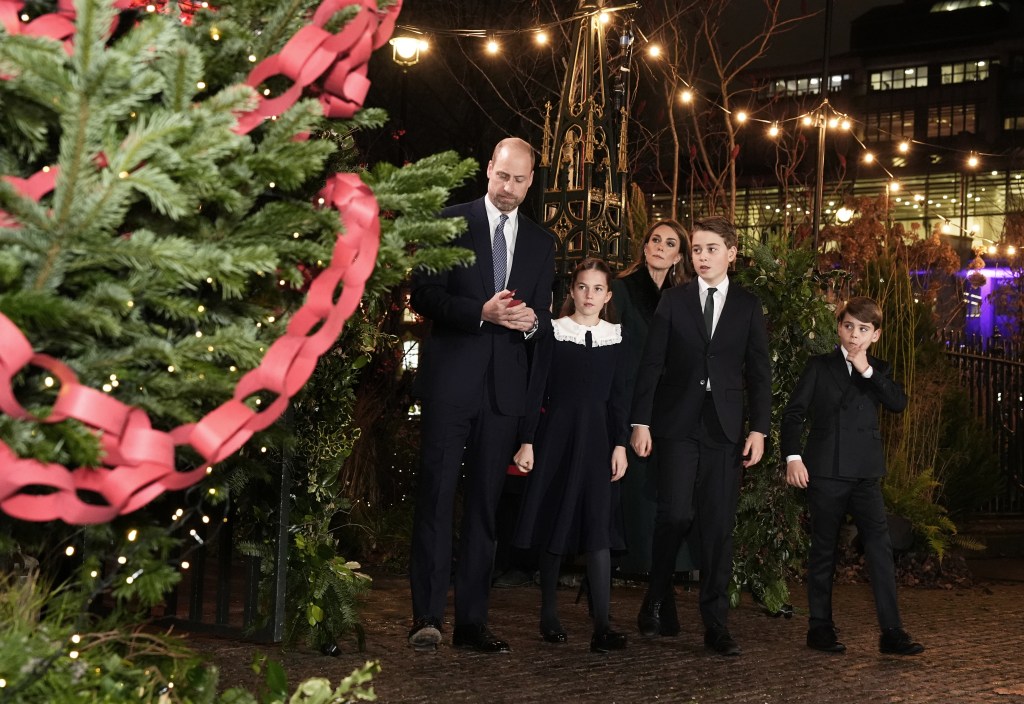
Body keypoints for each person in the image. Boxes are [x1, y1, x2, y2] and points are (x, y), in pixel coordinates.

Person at [407, 137, 556, 653]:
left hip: (503, 394)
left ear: (531, 180)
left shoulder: (542, 243)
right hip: (450, 385)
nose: (509, 188)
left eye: (519, 180)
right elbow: (422, 295)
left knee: (485, 510)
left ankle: (471, 621)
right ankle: (426, 617)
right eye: (502, 176)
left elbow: (540, 324)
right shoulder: (448, 221)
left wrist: (534, 322)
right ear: (488, 169)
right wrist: (480, 313)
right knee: (436, 497)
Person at [630, 215, 771, 656]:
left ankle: (716, 623)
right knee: (673, 515)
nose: (702, 256)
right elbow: (651, 364)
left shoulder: (748, 306)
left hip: (725, 429)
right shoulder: (674, 300)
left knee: (716, 527)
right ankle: (657, 596)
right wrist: (640, 422)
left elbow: (759, 374)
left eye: (711, 249)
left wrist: (759, 429)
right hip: (676, 424)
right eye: (696, 250)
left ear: (731, 253)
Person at [781, 296, 924, 656]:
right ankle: (820, 628)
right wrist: (793, 457)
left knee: (880, 549)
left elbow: (898, 403)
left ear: (875, 334)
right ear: (839, 328)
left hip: (866, 474)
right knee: (824, 550)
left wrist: (866, 370)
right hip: (825, 471)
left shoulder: (879, 370)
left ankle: (891, 632)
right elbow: (793, 413)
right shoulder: (819, 366)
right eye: (848, 326)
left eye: (863, 329)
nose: (854, 335)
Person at [512, 258, 630, 653]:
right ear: (572, 291)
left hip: (599, 443)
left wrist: (620, 445)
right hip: (557, 440)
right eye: (583, 287)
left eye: (598, 289)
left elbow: (619, 398)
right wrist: (527, 439)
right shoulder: (554, 332)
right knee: (556, 524)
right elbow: (535, 388)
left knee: (598, 529)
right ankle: (549, 614)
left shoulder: (616, 337)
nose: (590, 295)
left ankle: (602, 625)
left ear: (608, 296)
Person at [612, 220, 693, 632]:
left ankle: (660, 599)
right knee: (642, 507)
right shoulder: (622, 288)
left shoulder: (683, 298)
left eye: (670, 244)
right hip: (631, 406)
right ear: (644, 247)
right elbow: (612, 349)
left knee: (673, 506)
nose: (661, 247)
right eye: (655, 240)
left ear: (680, 255)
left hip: (674, 412)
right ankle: (657, 601)